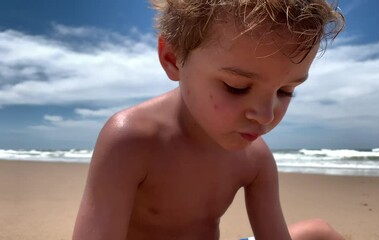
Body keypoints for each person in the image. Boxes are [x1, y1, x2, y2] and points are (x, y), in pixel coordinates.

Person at [73, 1, 345, 239]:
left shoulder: (256, 160)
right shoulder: (131, 140)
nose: (266, 115)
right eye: (237, 87)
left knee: (320, 232)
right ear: (173, 58)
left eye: (285, 91)